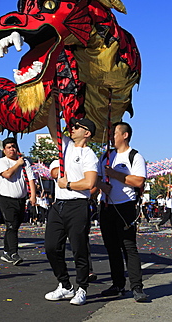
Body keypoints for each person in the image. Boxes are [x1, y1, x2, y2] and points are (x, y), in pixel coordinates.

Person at [44, 93, 98, 306]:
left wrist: (68, 184)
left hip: (77, 205)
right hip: (58, 206)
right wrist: (52, 101)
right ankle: (65, 285)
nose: (72, 128)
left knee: (79, 249)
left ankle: (82, 288)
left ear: (87, 133)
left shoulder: (88, 154)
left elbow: (89, 183)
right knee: (51, 247)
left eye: (77, 127)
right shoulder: (64, 145)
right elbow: (51, 125)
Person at [97, 121, 147, 302]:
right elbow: (97, 179)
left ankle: (137, 287)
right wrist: (102, 185)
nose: (111, 137)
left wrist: (115, 174)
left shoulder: (135, 156)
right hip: (106, 206)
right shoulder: (106, 156)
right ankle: (117, 284)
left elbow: (138, 181)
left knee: (128, 247)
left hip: (125, 206)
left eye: (114, 133)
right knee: (111, 247)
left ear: (124, 135)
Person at [0, 137, 36, 265]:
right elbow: (7, 174)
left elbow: (31, 179)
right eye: (9, 147)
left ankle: (7, 252)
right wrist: (17, 164)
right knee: (11, 225)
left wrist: (33, 195)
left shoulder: (25, 162)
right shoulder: (1, 162)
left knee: (14, 226)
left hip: (20, 199)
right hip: (6, 198)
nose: (12, 149)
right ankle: (13, 253)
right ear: (4, 150)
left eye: (13, 146)